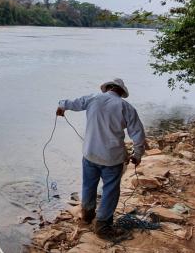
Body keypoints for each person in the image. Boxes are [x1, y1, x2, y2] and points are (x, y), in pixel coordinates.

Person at [56, 78, 146, 240]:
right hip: (112, 158)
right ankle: (103, 226)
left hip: (90, 154)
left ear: (108, 88)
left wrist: (62, 106)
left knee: (89, 185)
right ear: (120, 91)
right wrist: (137, 154)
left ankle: (87, 216)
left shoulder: (93, 98)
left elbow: (73, 103)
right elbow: (138, 134)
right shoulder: (126, 107)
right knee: (110, 191)